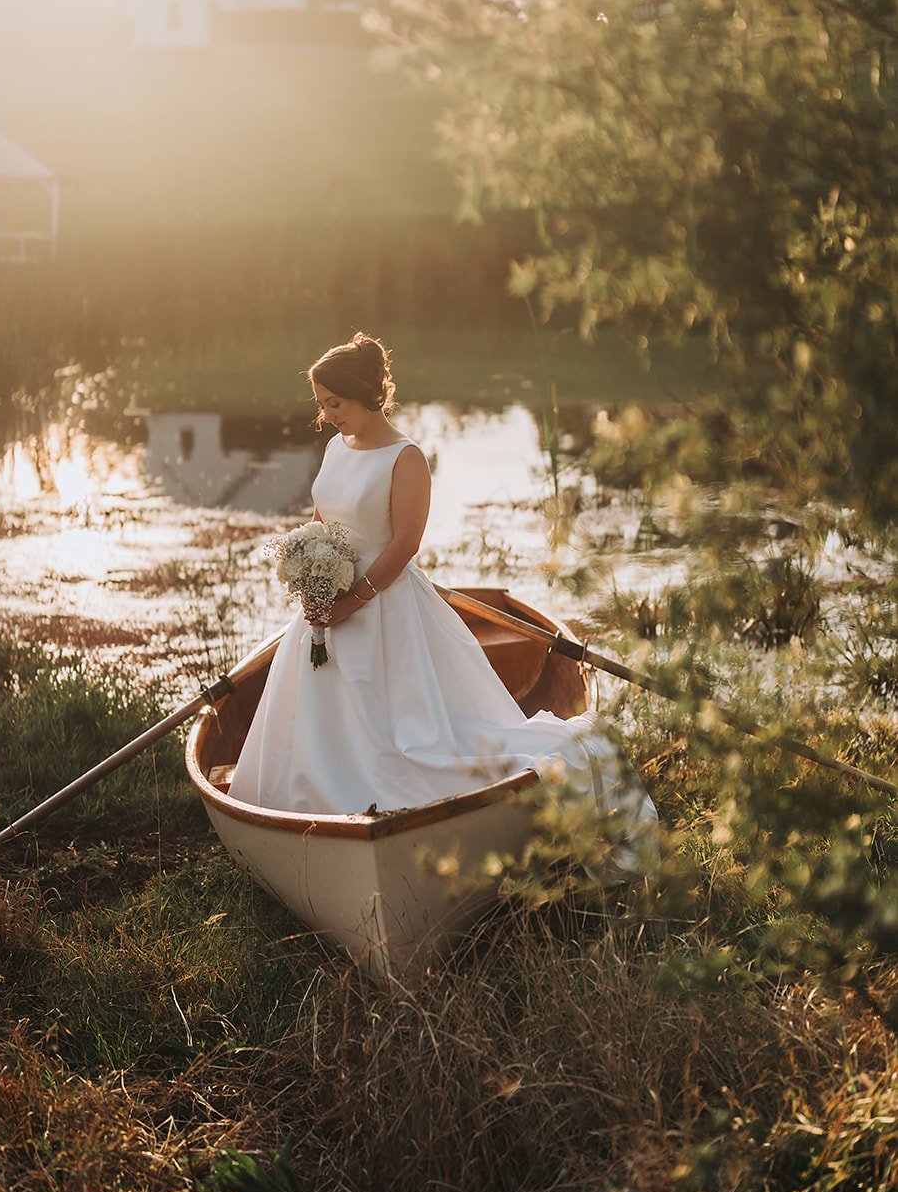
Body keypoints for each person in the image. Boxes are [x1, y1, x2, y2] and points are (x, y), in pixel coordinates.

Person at [230, 333, 658, 878]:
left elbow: (404, 545)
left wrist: (352, 601)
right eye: (321, 404)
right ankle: (314, 812)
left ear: (365, 394)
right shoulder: (337, 447)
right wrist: (310, 572)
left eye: (334, 403)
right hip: (326, 606)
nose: (327, 416)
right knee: (312, 713)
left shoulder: (405, 458)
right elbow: (323, 519)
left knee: (401, 732)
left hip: (383, 608)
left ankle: (397, 810)